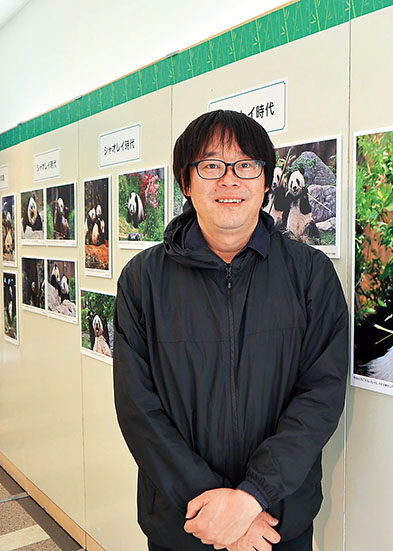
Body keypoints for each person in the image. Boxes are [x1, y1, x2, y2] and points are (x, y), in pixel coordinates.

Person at [113, 109, 348, 551]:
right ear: (186, 183)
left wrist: (251, 498)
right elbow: (138, 408)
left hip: (277, 524)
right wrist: (213, 513)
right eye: (211, 166)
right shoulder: (142, 281)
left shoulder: (310, 276)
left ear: (265, 181)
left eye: (245, 165)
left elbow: (321, 396)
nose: (229, 180)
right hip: (184, 525)